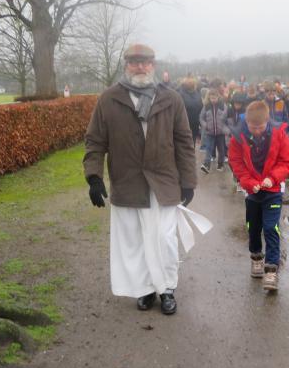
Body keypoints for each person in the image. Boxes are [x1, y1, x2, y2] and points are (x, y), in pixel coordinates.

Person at [83, 44, 197, 315]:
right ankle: (144, 288)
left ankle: (166, 288)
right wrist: (94, 177)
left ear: (153, 65)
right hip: (127, 181)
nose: (141, 67)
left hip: (163, 181)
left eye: (145, 62)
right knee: (133, 241)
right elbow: (95, 140)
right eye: (135, 62)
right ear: (126, 65)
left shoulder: (171, 98)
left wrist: (188, 180)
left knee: (164, 239)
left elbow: (183, 141)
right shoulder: (109, 99)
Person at [229, 101, 289, 291]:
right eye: (252, 127)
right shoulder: (238, 137)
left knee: (271, 227)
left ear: (267, 121)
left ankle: (271, 269)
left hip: (273, 191)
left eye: (260, 127)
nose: (257, 131)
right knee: (253, 227)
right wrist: (249, 182)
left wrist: (273, 178)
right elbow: (235, 162)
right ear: (246, 122)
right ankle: (256, 257)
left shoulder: (279, 133)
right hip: (252, 192)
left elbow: (287, 160)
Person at [199, 80, 229, 173]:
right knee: (209, 149)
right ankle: (206, 165)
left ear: (218, 97)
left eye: (215, 98)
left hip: (220, 132)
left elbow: (226, 117)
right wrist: (205, 125)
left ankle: (220, 164)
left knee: (221, 149)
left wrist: (225, 128)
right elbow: (201, 117)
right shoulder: (206, 106)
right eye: (211, 98)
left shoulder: (223, 106)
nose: (213, 100)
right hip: (210, 132)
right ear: (209, 98)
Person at [178, 77, 203, 147]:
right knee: (185, 140)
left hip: (194, 122)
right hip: (185, 121)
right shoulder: (181, 94)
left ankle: (190, 153)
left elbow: (201, 106)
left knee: (192, 140)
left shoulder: (197, 93)